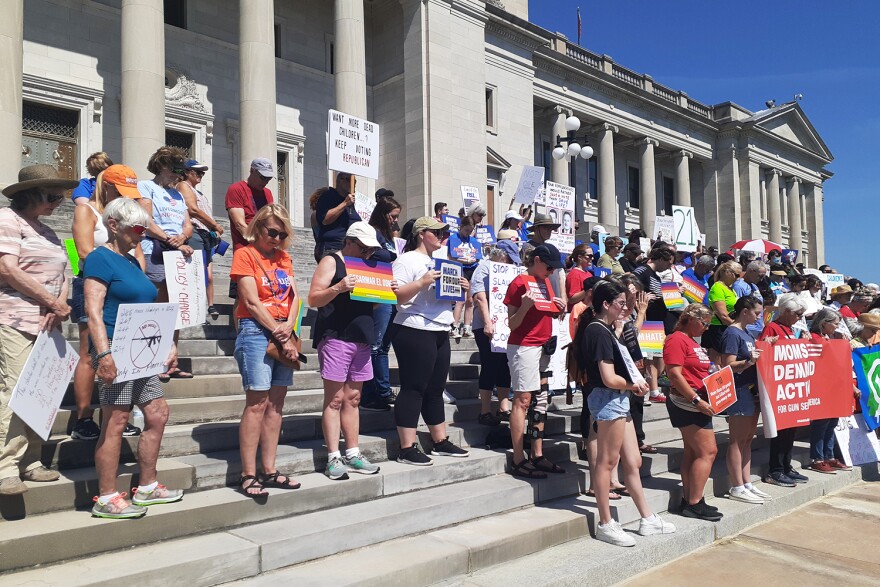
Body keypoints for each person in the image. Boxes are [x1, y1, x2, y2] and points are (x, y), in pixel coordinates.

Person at [85, 197, 184, 517]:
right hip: (115, 345)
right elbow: (93, 311)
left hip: (141, 349)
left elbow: (150, 309)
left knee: (157, 414)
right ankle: (106, 496)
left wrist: (168, 344)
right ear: (113, 225)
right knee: (115, 421)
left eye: (144, 228)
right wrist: (103, 354)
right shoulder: (100, 259)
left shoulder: (132, 260)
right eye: (137, 229)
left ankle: (147, 486)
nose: (142, 234)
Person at [580, 281, 675, 546]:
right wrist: (633, 385)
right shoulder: (597, 331)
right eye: (621, 303)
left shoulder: (607, 329)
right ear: (605, 304)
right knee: (607, 462)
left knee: (633, 461)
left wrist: (620, 331)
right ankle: (606, 523)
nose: (625, 307)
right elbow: (609, 377)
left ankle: (647, 517)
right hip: (609, 398)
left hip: (618, 399)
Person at [0, 165, 75, 496]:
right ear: (30, 194)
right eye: (53, 195)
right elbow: (7, 268)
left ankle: (31, 461)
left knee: (42, 392)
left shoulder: (49, 231)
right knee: (15, 391)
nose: (59, 201)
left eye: (61, 195)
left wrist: (60, 303)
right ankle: (6, 466)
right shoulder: (7, 220)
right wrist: (51, 301)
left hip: (49, 324)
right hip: (16, 318)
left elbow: (67, 271)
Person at [230, 204, 302, 496]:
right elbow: (251, 301)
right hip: (257, 330)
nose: (276, 238)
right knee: (257, 402)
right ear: (257, 228)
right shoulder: (245, 254)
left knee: (276, 403)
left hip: (284, 329)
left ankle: (269, 469)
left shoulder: (284, 258)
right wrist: (280, 332)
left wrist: (289, 327)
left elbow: (296, 296)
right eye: (272, 232)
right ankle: (248, 473)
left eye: (282, 233)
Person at [70, 164, 144, 441]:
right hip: (94, 283)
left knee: (123, 350)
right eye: (122, 190)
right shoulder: (87, 210)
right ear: (108, 187)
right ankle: (84, 417)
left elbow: (137, 253)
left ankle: (117, 413)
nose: (128, 197)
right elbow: (85, 251)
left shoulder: (129, 215)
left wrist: (137, 279)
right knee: (90, 352)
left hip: (124, 287)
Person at [391, 217, 469, 465]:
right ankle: (406, 447)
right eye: (437, 232)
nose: (443, 236)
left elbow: (447, 298)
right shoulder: (406, 260)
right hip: (414, 326)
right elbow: (398, 297)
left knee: (436, 388)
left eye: (444, 232)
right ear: (422, 233)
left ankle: (440, 440)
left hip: (439, 327)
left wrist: (461, 288)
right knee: (413, 388)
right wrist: (422, 282)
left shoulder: (442, 261)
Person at [308, 222, 382, 480]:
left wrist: (383, 293)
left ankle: (353, 452)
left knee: (353, 399)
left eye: (371, 251)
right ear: (349, 241)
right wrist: (338, 287)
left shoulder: (366, 266)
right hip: (336, 336)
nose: (367, 255)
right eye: (364, 249)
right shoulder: (331, 261)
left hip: (361, 337)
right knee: (335, 399)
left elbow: (367, 307)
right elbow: (313, 298)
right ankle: (333, 457)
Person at [505, 243, 567, 478]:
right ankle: (519, 458)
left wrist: (559, 308)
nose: (552, 271)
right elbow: (511, 323)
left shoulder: (544, 282)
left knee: (540, 399)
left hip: (542, 346)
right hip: (524, 346)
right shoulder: (520, 282)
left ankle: (537, 454)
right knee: (523, 400)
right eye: (549, 267)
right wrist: (525, 306)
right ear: (538, 260)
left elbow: (548, 314)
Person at [137, 147, 196, 380]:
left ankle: (171, 359)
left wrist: (183, 237)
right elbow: (145, 220)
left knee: (176, 310)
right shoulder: (146, 187)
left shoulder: (179, 194)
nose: (177, 176)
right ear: (161, 166)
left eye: (181, 172)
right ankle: (154, 360)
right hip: (156, 251)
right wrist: (170, 240)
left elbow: (187, 222)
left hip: (178, 252)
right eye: (174, 170)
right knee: (159, 307)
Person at [664, 304, 722, 522]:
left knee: (692, 452)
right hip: (687, 403)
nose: (706, 328)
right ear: (690, 318)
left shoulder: (690, 341)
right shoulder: (676, 339)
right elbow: (674, 374)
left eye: (709, 324)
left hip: (696, 401)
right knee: (708, 452)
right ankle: (695, 502)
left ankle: (691, 499)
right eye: (704, 323)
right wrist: (696, 400)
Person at [719, 296, 771, 504]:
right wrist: (749, 361)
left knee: (747, 439)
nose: (759, 317)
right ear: (745, 311)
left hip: (750, 390)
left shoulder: (746, 333)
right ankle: (737, 485)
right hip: (739, 390)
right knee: (737, 440)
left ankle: (746, 482)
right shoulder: (732, 333)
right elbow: (727, 364)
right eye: (757, 313)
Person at [760, 293, 810, 487]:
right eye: (798, 313)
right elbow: (765, 352)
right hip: (779, 387)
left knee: (791, 430)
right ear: (787, 311)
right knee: (781, 432)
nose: (800, 317)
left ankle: (786, 466)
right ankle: (776, 469)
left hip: (791, 388)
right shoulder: (772, 327)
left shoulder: (790, 329)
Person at [471, 241, 520, 425]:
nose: (509, 262)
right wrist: (487, 323)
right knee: (490, 364)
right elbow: (480, 297)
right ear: (499, 254)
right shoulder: (483, 268)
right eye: (508, 258)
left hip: (504, 325)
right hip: (486, 324)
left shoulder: (509, 270)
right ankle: (484, 410)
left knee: (505, 366)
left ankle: (503, 407)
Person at [360, 196, 402, 412]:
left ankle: (381, 391)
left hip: (390, 292)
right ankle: (372, 392)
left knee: (383, 346)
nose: (395, 221)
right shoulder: (372, 232)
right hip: (377, 292)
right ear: (383, 213)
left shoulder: (387, 235)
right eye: (393, 216)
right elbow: (372, 256)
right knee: (375, 345)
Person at [806, 308, 853, 474]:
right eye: (835, 324)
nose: (837, 327)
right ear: (824, 323)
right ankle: (817, 458)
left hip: (833, 386)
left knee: (832, 422)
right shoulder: (812, 337)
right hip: (819, 387)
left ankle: (829, 455)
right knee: (821, 423)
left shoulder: (830, 337)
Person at [177, 159, 224, 319]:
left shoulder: (200, 193)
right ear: (187, 172)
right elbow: (193, 210)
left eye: (202, 173)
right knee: (195, 272)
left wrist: (214, 231)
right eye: (197, 172)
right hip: (195, 232)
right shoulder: (183, 186)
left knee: (208, 275)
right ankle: (192, 310)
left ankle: (207, 307)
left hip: (206, 235)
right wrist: (216, 225)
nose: (201, 176)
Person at [226, 158, 275, 302]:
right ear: (252, 171)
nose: (265, 181)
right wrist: (259, 243)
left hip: (265, 251)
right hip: (245, 250)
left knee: (263, 294)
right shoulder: (236, 189)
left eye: (269, 178)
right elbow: (240, 224)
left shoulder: (268, 193)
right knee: (243, 297)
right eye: (262, 177)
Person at [448, 216, 481, 338]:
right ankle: (454, 326)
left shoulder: (473, 240)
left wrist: (472, 259)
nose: (468, 233)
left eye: (471, 230)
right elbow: (451, 256)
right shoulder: (453, 238)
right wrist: (464, 260)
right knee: (460, 299)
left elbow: (477, 256)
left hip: (472, 270)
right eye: (466, 230)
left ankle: (467, 328)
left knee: (470, 300)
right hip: (459, 269)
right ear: (461, 227)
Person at [316, 172, 361, 259]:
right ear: (340, 181)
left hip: (350, 249)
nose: (353, 184)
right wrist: (344, 204)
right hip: (333, 248)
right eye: (350, 180)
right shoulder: (328, 196)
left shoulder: (353, 202)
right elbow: (325, 219)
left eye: (354, 181)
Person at [704, 261, 742, 363]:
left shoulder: (730, 289)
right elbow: (723, 315)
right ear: (727, 272)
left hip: (729, 327)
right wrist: (738, 328)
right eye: (737, 275)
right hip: (719, 329)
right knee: (718, 364)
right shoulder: (717, 288)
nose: (738, 278)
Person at [732, 261, 767, 337]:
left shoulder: (755, 286)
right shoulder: (739, 286)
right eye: (759, 276)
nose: (761, 280)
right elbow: (739, 308)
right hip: (747, 328)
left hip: (758, 327)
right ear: (751, 271)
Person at [565, 244, 594, 311]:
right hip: (577, 313)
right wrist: (588, 290)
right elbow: (572, 299)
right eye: (590, 256)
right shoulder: (574, 274)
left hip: (587, 311)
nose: (592, 258)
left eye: (592, 256)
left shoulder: (589, 274)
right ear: (580, 257)